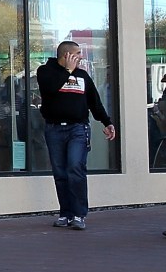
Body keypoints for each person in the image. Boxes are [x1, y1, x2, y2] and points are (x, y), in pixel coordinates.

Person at [36, 41, 115, 231]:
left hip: (78, 129)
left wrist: (107, 122)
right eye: (77, 53)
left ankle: (79, 214)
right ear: (66, 55)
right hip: (54, 128)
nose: (81, 57)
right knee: (60, 172)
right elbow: (50, 89)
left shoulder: (83, 76)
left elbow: (94, 102)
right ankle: (66, 213)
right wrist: (67, 72)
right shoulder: (45, 72)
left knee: (75, 167)